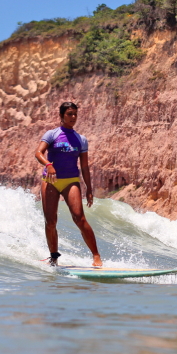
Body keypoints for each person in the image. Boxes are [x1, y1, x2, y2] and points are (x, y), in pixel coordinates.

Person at [35, 102, 103, 267]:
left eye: (75, 114)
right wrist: (48, 165)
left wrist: (89, 189)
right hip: (50, 181)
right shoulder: (52, 134)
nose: (73, 117)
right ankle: (54, 257)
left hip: (71, 180)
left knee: (79, 218)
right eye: (69, 114)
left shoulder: (81, 140)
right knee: (50, 221)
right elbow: (38, 152)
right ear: (62, 116)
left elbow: (85, 166)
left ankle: (96, 256)